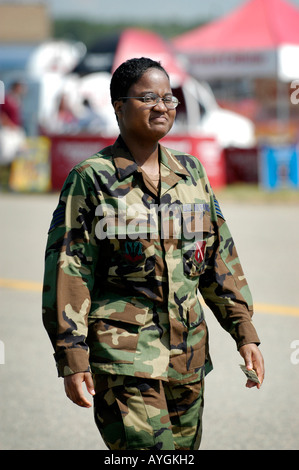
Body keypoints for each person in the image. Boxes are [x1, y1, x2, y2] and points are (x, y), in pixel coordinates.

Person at [42, 57, 264, 451]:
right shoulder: (91, 178)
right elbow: (69, 271)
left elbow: (218, 259)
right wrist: (72, 357)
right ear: (118, 106)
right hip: (124, 358)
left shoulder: (191, 173)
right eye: (148, 98)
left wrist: (244, 332)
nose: (162, 106)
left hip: (188, 358)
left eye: (169, 98)